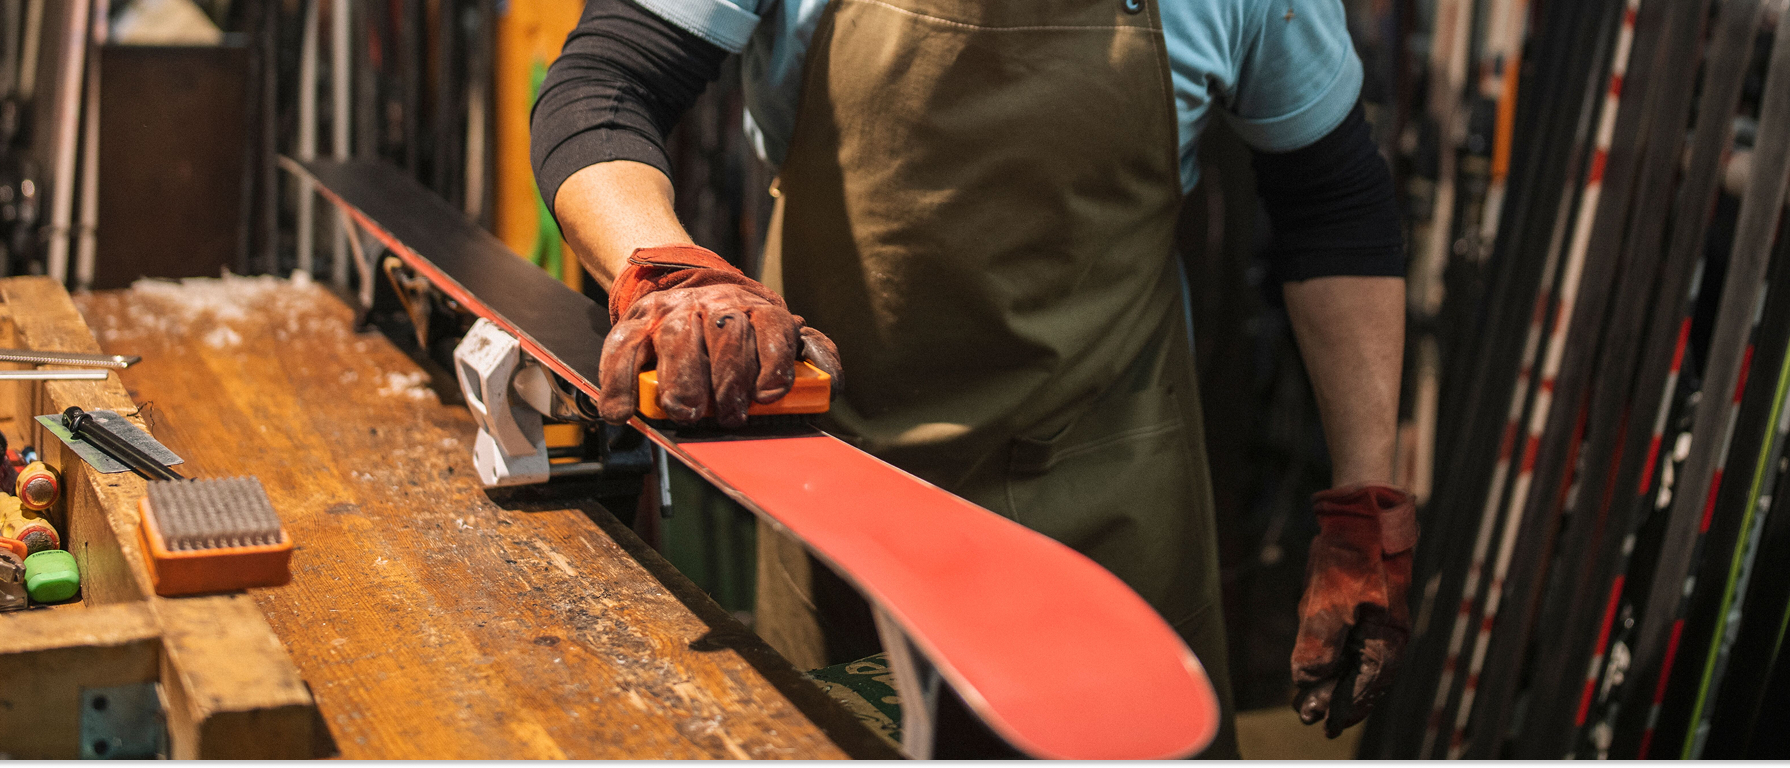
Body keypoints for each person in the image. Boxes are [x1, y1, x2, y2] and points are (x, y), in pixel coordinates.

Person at [531, 0, 1416, 756]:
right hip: (845, 492)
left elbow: (1332, 202)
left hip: (1112, 504)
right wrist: (675, 275)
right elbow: (603, 89)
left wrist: (1363, 511)